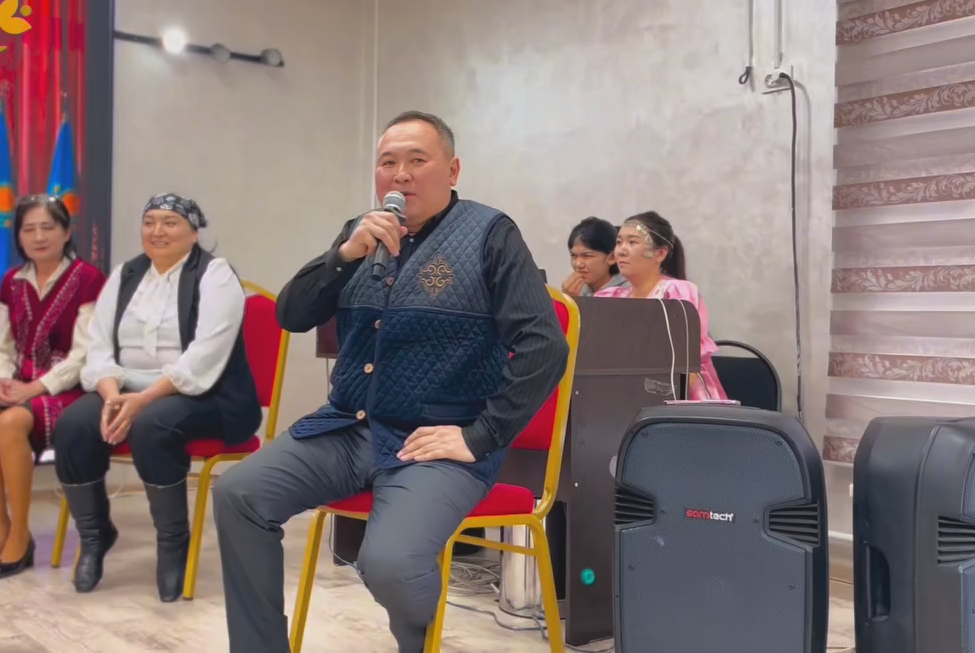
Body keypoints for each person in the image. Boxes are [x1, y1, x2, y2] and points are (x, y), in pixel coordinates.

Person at [213, 111, 570, 653]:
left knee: (389, 563)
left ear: (452, 170)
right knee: (239, 494)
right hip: (347, 428)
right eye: (387, 163)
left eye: (416, 160)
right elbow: (291, 314)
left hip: (435, 442)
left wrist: (480, 436)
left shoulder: (491, 234)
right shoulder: (360, 234)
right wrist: (344, 255)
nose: (400, 174)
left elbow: (545, 345)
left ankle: (416, 641)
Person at [53, 194, 261, 603]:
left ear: (193, 232)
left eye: (170, 222)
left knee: (154, 423)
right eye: (149, 222)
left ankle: (172, 543)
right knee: (73, 425)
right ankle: (94, 536)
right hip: (124, 387)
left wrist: (144, 399)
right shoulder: (126, 274)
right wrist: (111, 395)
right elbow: (98, 345)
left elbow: (205, 357)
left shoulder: (215, 275)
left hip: (207, 393)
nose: (157, 231)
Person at [0, 195, 105, 579]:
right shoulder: (12, 280)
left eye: (48, 227)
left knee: (11, 423)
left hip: (68, 389)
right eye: (29, 229)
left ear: (66, 232)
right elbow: (2, 346)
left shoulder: (89, 279)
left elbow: (84, 356)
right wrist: (2, 380)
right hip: (21, 385)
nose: (39, 237)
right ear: (19, 237)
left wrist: (36, 388)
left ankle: (20, 536)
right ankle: (0, 529)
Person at [597, 211, 727, 401]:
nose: (621, 250)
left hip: (680, 399)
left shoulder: (677, 293)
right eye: (619, 242)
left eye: (632, 242)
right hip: (622, 395)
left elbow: (684, 362)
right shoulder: (608, 298)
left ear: (660, 253)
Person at [561, 216, 626, 297]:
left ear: (612, 258)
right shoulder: (574, 290)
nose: (578, 264)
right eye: (573, 255)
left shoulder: (629, 292)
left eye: (587, 256)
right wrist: (566, 298)